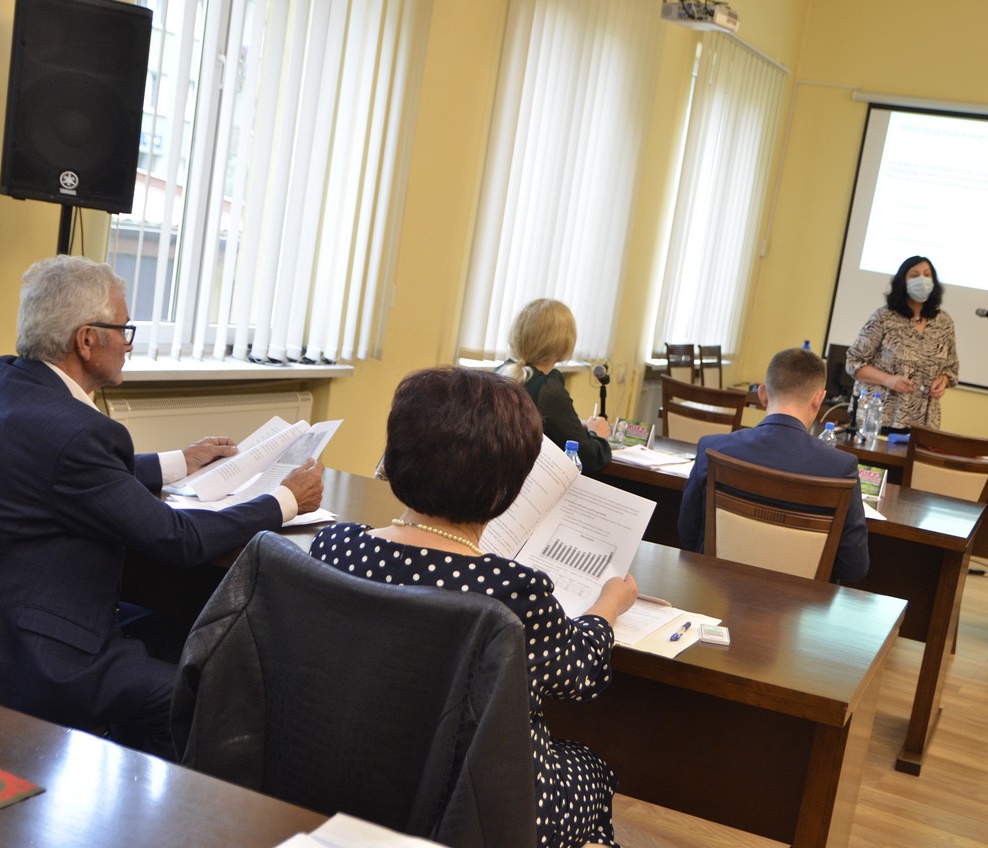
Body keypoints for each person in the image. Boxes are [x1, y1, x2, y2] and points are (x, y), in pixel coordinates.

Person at [0, 255, 325, 757]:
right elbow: (179, 540)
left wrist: (178, 462)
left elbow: (56, 470)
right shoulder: (78, 434)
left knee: (184, 633)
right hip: (38, 656)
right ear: (86, 340)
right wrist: (285, 500)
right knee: (196, 693)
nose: (129, 344)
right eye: (124, 330)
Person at [310, 367, 637, 848]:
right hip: (473, 804)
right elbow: (580, 674)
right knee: (592, 769)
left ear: (395, 456)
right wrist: (608, 605)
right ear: (509, 487)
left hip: (345, 771)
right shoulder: (513, 590)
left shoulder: (335, 545)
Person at [677, 347, 869, 584]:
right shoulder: (840, 467)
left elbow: (688, 533)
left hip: (715, 593)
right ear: (819, 399)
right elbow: (853, 566)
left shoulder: (712, 448)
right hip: (801, 603)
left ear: (763, 394)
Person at [846, 255, 959, 432]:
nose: (922, 280)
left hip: (923, 423)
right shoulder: (885, 317)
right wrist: (888, 380)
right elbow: (853, 362)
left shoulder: (944, 322)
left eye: (927, 275)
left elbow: (951, 370)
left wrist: (942, 382)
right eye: (914, 275)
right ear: (902, 282)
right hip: (880, 417)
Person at [498, 298, 612, 472]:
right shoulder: (548, 389)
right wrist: (597, 434)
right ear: (564, 342)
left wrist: (576, 425)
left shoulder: (500, 372)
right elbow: (588, 456)